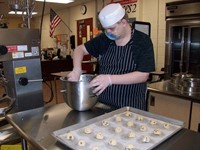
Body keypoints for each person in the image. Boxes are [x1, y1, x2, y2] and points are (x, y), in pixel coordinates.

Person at [67, 3, 155, 111]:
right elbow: (79, 49)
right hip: (101, 105)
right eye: (105, 29)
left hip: (130, 107)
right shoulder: (104, 39)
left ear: (123, 22)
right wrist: (76, 69)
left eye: (111, 28)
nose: (108, 32)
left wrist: (110, 79)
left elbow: (143, 75)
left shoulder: (142, 41)